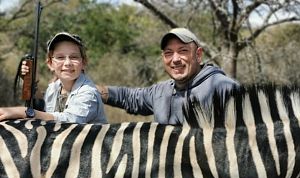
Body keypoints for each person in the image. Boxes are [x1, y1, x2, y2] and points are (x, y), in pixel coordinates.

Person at [98, 27, 239, 125]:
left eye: (183, 51)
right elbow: (128, 97)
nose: (175, 59)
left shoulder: (223, 88)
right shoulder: (161, 91)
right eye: (168, 53)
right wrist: (91, 91)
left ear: (198, 55)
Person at [0, 32, 107, 124]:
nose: (68, 63)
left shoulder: (88, 92)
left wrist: (26, 112)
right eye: (60, 57)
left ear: (83, 62)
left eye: (74, 57)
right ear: (50, 64)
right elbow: (44, 109)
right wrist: (32, 79)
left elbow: (70, 120)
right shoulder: (54, 87)